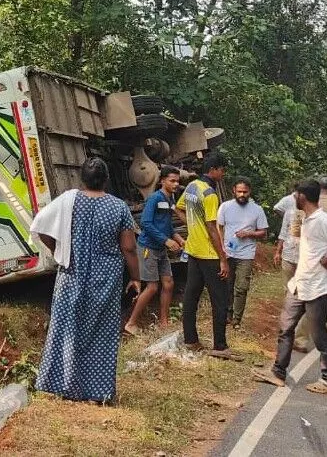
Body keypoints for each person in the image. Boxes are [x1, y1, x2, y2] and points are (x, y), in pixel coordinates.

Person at [31, 157, 140, 403]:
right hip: (106, 280)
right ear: (107, 180)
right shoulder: (118, 207)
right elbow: (129, 248)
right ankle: (97, 392)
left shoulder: (67, 201)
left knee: (67, 328)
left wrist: (59, 251)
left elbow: (40, 225)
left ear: (82, 178)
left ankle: (62, 385)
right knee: (102, 333)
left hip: (71, 276)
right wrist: (135, 277)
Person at [252, 179, 327, 394]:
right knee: (285, 327)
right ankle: (278, 372)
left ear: (303, 197)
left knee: (319, 335)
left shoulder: (322, 220)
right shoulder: (305, 219)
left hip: (316, 287)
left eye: (295, 195)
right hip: (300, 283)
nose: (293, 199)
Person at [177, 152, 241, 360]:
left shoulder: (191, 187)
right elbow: (213, 228)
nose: (223, 174)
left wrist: (193, 227)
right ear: (214, 170)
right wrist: (223, 258)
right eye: (222, 170)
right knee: (220, 300)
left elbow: (178, 208)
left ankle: (190, 340)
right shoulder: (210, 194)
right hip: (209, 254)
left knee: (190, 297)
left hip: (193, 251)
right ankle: (220, 346)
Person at [125, 165, 185, 334]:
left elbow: (167, 226)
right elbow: (145, 224)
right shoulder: (154, 199)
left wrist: (178, 239)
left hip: (161, 248)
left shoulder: (170, 199)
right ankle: (131, 323)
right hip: (148, 248)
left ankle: (164, 322)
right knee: (152, 287)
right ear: (162, 181)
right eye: (172, 181)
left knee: (168, 283)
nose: (175, 184)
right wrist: (165, 240)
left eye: (177, 181)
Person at [294, 175, 327, 358]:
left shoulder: (302, 207)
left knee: (305, 299)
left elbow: (295, 232)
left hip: (307, 259)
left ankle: (300, 339)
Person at [217, 177, 269, 329]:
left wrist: (249, 234)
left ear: (249, 192)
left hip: (246, 254)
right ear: (234, 191)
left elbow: (263, 233)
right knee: (227, 285)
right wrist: (221, 247)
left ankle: (237, 319)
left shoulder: (257, 210)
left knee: (241, 287)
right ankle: (227, 314)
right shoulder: (225, 207)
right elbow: (218, 227)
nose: (242, 194)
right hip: (228, 253)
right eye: (239, 191)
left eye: (245, 192)